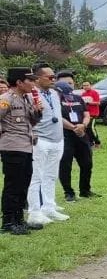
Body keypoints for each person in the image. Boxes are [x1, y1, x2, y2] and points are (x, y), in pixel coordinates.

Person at [0, 68, 43, 235]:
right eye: (29, 80)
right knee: (13, 185)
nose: (32, 84)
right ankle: (8, 222)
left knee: (23, 184)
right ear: (19, 82)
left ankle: (19, 220)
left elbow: (32, 122)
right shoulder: (6, 99)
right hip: (12, 147)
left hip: (25, 145)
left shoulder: (26, 98)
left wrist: (38, 111)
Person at [27, 63, 69, 228]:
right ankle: (35, 211)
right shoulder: (31, 94)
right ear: (37, 78)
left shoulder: (54, 93)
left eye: (54, 77)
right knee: (36, 176)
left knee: (51, 175)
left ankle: (49, 207)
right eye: (50, 77)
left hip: (57, 139)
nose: (53, 80)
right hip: (40, 139)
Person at [56, 72, 96, 202]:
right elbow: (57, 117)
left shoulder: (78, 98)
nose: (69, 85)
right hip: (65, 134)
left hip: (82, 134)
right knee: (65, 164)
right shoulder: (55, 98)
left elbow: (86, 114)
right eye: (65, 83)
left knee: (87, 163)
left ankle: (85, 190)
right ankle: (69, 192)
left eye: (70, 83)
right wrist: (73, 128)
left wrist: (83, 125)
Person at [80, 81, 101, 146]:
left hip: (93, 113)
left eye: (87, 85)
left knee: (91, 128)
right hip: (86, 114)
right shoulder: (83, 94)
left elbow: (98, 102)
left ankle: (97, 142)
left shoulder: (94, 93)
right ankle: (90, 143)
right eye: (84, 85)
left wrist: (89, 103)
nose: (85, 87)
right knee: (86, 128)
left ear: (90, 85)